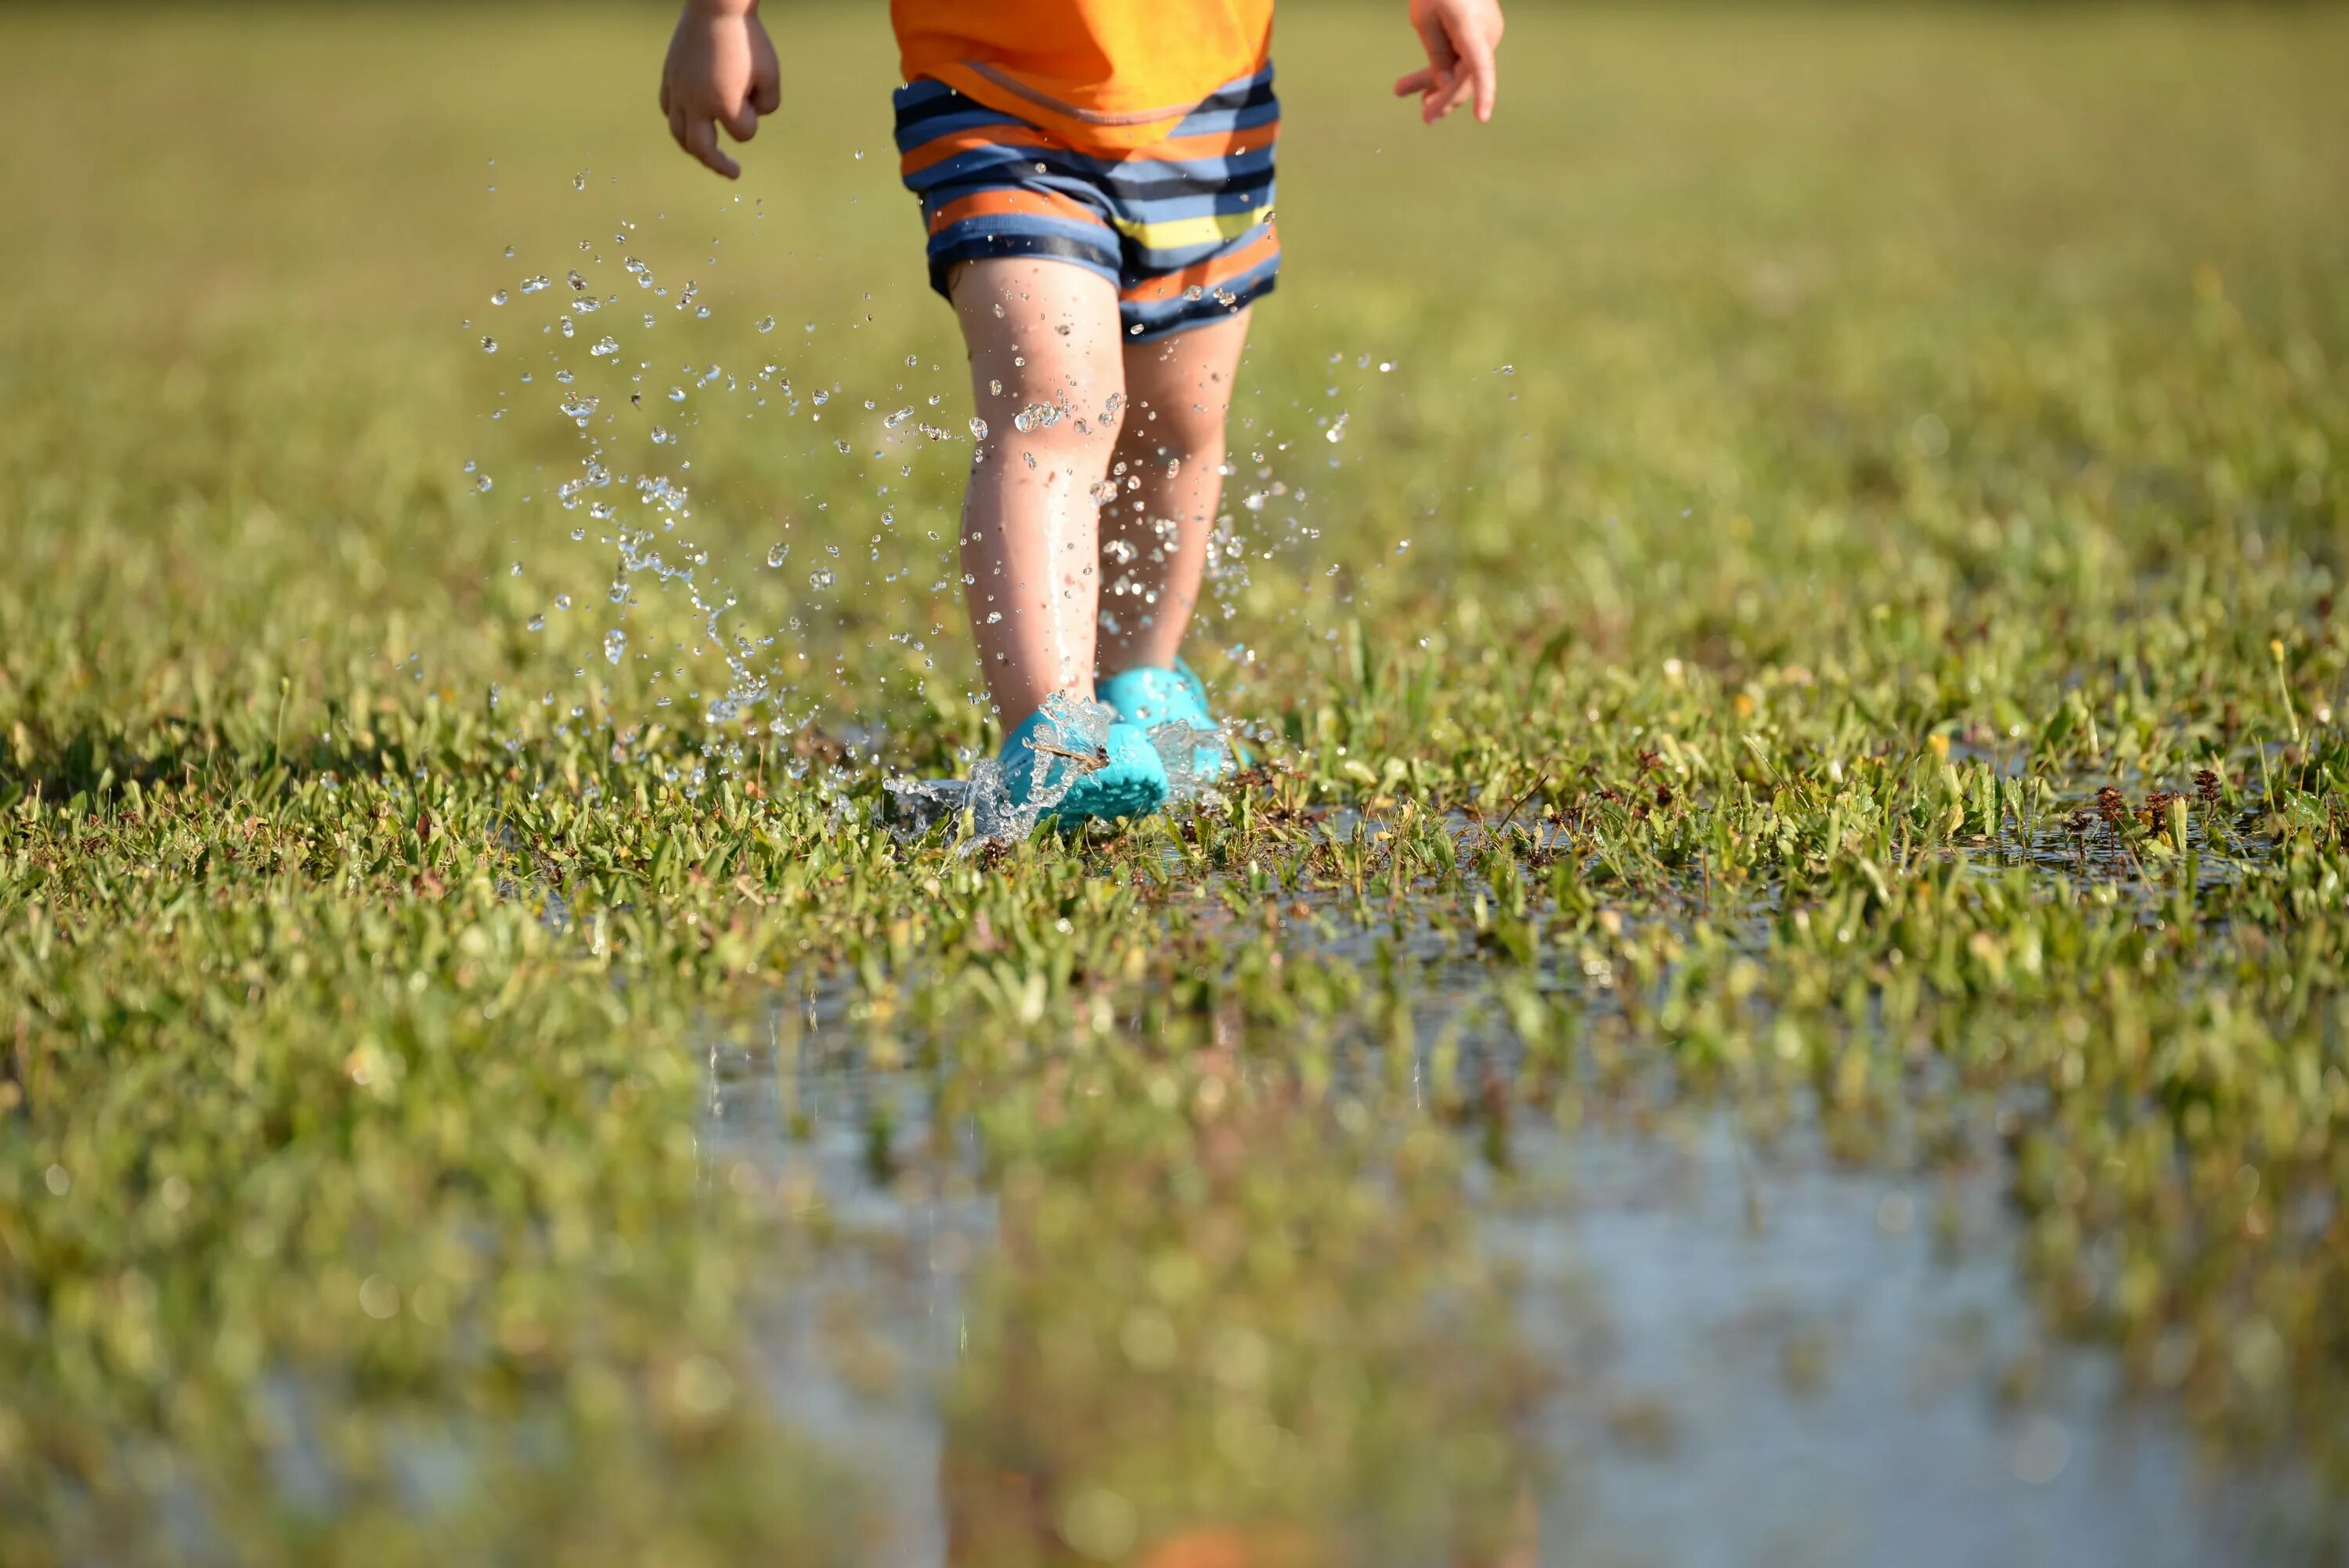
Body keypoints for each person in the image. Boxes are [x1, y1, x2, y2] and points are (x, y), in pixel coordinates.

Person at [659, 0, 1505, 824]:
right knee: (1054, 409)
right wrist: (721, 17)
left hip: (1211, 106)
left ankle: (1142, 678)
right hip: (995, 94)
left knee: (1179, 428)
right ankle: (1054, 727)